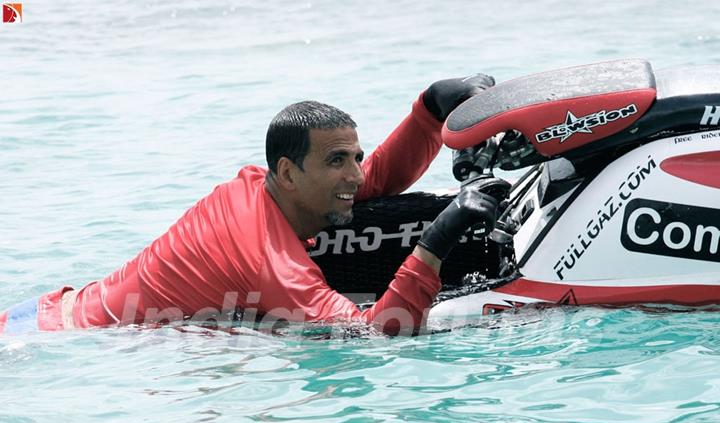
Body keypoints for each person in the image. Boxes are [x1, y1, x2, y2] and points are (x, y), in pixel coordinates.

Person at [0, 75, 510, 336]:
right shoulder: (267, 256)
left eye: (355, 155)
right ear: (288, 172)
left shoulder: (263, 188)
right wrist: (439, 239)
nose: (355, 173)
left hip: (48, 310)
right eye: (338, 160)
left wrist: (430, 107)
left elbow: (369, 181)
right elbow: (376, 334)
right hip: (58, 339)